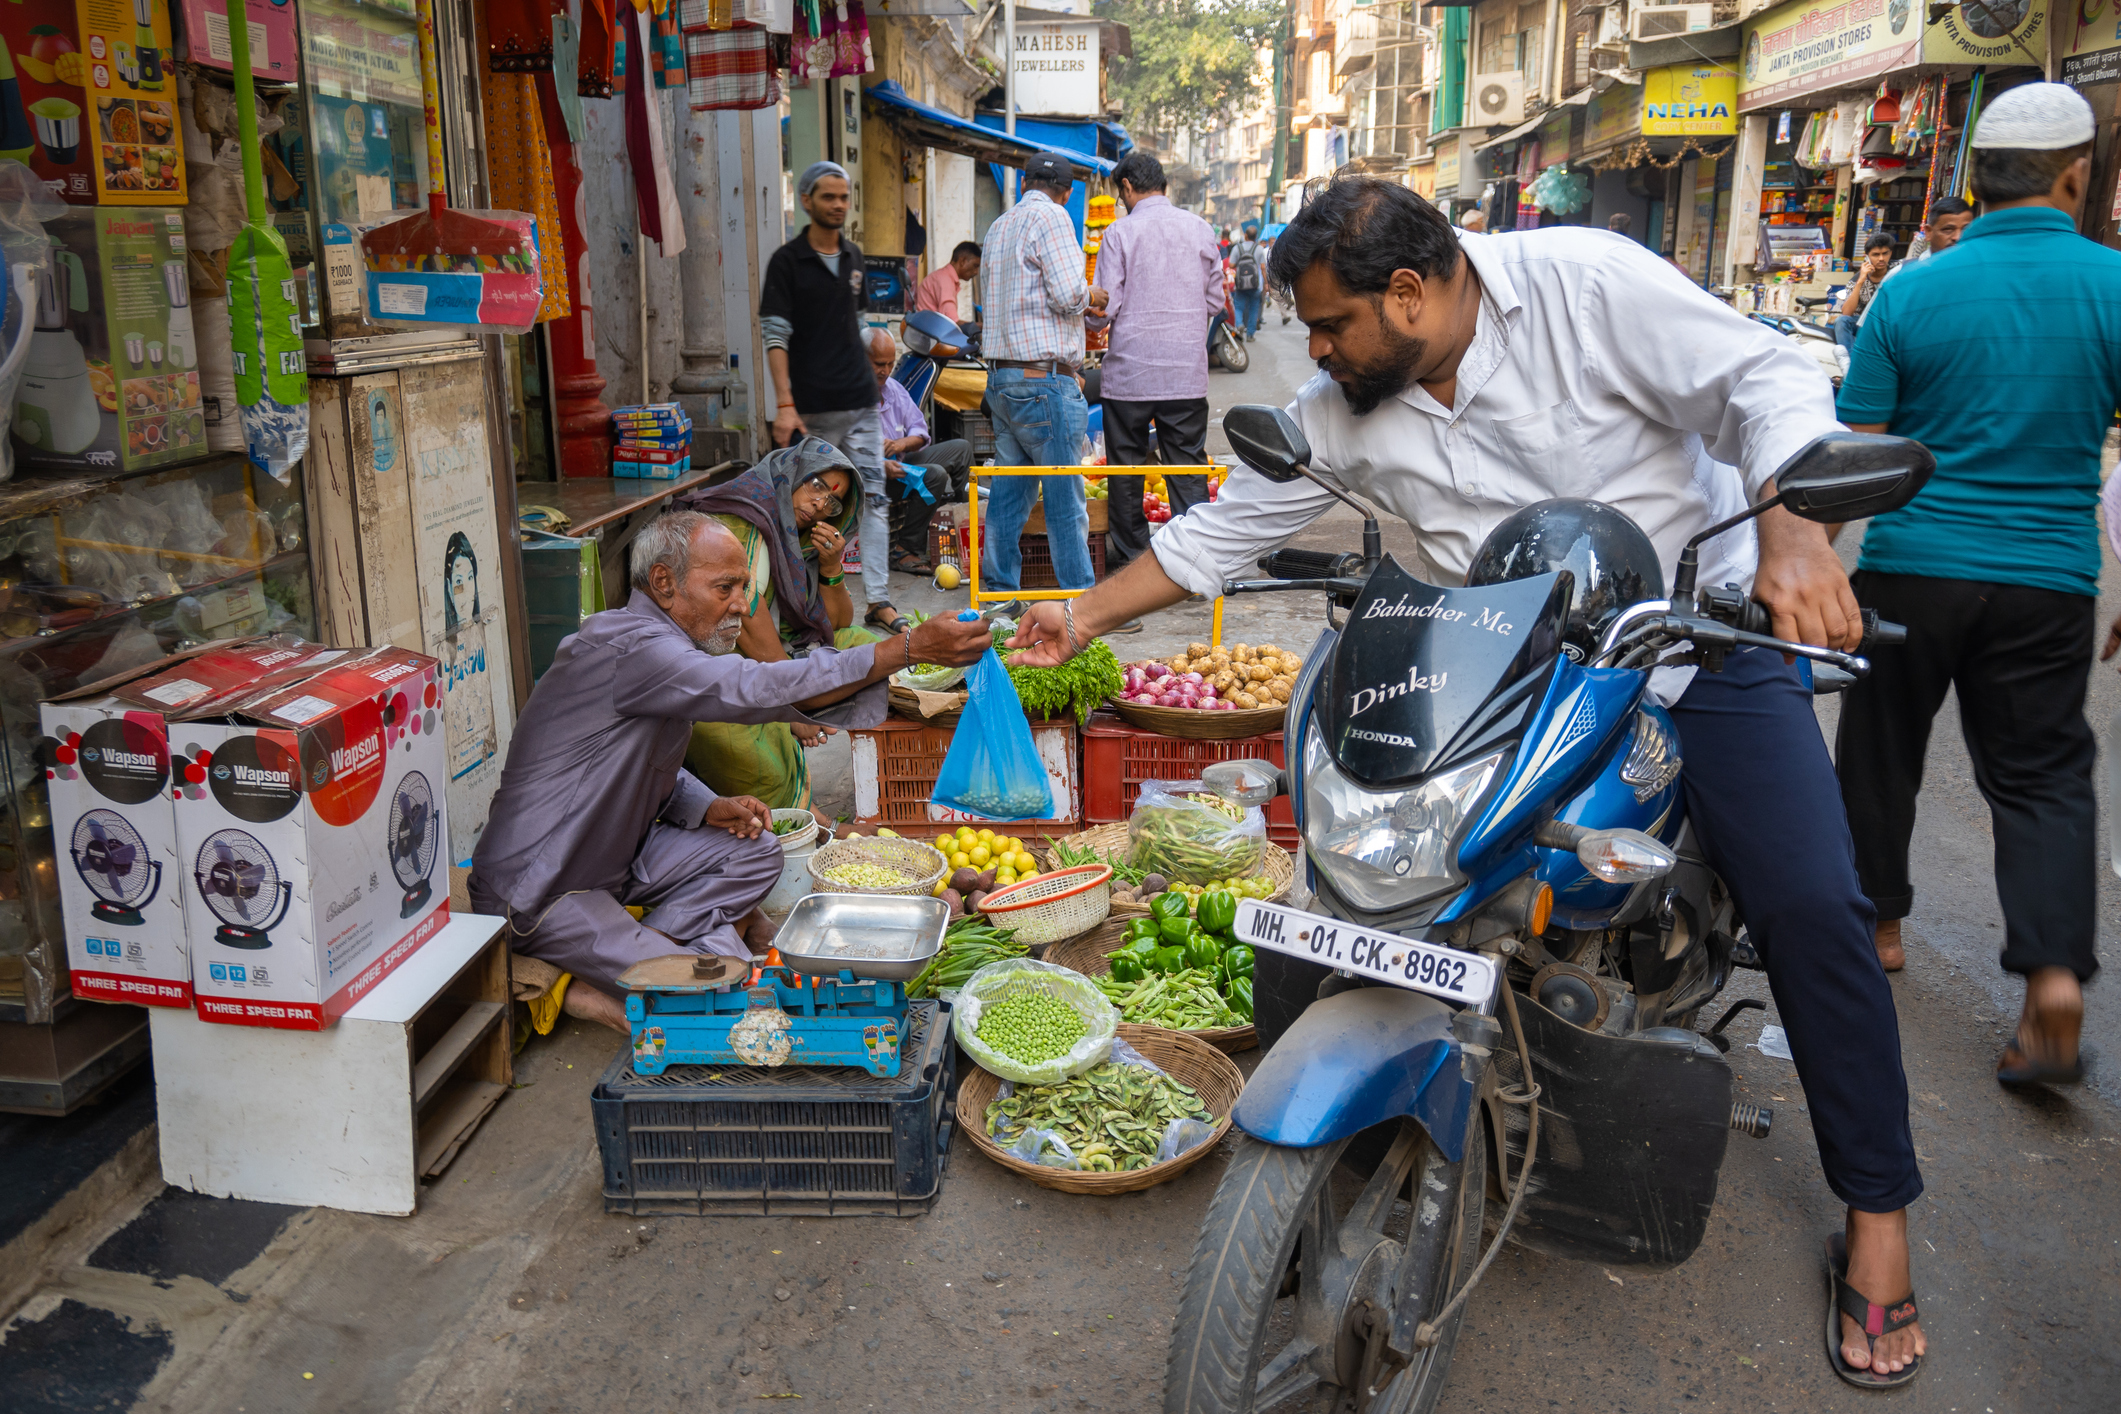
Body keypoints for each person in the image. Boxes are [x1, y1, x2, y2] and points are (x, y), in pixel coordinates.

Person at [1005, 178, 1929, 1387]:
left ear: (1410, 292)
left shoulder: (1586, 287)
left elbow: (1760, 380)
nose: (1315, 352)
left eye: (1330, 326)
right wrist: (1076, 617)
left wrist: (1797, 535)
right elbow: (1217, 536)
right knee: (1368, 870)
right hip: (1490, 666)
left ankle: (1878, 1219)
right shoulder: (1349, 402)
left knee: (1814, 904)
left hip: (1689, 642)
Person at [1835, 83, 2116, 1094]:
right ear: (2076, 175)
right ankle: (2050, 975)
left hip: (1913, 564)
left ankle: (1878, 925)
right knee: (2042, 775)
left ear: (1974, 178)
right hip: (2048, 581)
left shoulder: (1912, 291)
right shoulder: (2114, 286)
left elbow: (1855, 448)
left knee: (1878, 751)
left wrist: (1816, 566)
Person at [467, 510, 988, 1032]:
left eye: (744, 585)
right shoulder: (630, 647)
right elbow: (754, 686)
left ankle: (648, 955)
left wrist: (705, 804)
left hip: (614, 864)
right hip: (544, 888)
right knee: (709, 995)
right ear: (665, 583)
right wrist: (904, 649)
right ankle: (594, 983)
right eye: (725, 587)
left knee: (757, 849)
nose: (742, 604)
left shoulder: (660, 649)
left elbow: (637, 759)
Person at [675, 439, 879, 815]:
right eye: (816, 485)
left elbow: (837, 624)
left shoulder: (797, 535)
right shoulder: (744, 520)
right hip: (714, 660)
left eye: (833, 502)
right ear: (791, 474)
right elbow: (748, 623)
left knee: (863, 645)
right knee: (758, 754)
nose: (821, 504)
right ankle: (804, 818)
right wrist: (791, 709)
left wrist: (832, 566)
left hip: (770, 653)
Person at [759, 160, 906, 636]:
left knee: (876, 502)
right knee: (809, 507)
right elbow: (775, 337)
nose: (838, 205)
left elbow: (857, 326)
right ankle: (804, 603)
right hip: (813, 412)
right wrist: (785, 405)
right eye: (828, 197)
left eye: (844, 197)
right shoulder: (787, 262)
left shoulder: (854, 258)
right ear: (807, 201)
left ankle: (879, 600)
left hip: (860, 405)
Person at [1088, 148, 1223, 613]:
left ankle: (1131, 564)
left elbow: (1106, 307)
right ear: (1161, 183)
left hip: (1130, 374)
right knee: (1186, 468)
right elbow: (1215, 301)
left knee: (1126, 470)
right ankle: (1195, 568)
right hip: (1186, 375)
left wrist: (1088, 322)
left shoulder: (1120, 233)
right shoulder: (1201, 229)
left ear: (1126, 188)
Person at [978, 151, 1105, 603]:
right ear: (1068, 193)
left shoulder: (999, 226)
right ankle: (1082, 603)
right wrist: (1093, 294)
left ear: (1023, 182)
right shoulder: (1053, 218)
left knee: (1009, 496)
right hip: (1044, 383)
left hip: (1003, 381)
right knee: (1064, 499)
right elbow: (1071, 293)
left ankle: (1001, 599)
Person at [866, 327, 970, 573]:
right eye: (879, 364)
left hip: (899, 461)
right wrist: (879, 464)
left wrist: (900, 443)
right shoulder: (849, 397)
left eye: (891, 364)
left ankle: (956, 521)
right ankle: (905, 550)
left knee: (962, 449)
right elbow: (840, 453)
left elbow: (919, 430)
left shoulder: (893, 389)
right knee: (934, 475)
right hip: (870, 476)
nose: (886, 371)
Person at [1832, 233, 1895, 350]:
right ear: (1867, 257)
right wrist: (1860, 281)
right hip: (1866, 324)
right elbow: (1846, 313)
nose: (1881, 258)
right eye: (1876, 255)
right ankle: (1849, 363)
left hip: (1892, 323)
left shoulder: (1898, 271)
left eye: (1885, 253)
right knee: (1841, 321)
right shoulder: (1856, 279)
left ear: (1890, 253)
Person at [914, 241, 981, 324]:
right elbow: (952, 322)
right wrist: (982, 327)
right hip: (931, 332)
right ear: (962, 261)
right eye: (975, 266)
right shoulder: (946, 281)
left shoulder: (942, 276)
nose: (976, 272)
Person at [1896, 197, 1973, 267]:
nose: (1957, 237)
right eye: (1948, 230)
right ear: (1929, 232)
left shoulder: (1980, 272)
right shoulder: (1905, 274)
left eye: (1966, 229)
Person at [1230, 220, 1266, 339]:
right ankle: (1250, 334)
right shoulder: (1259, 249)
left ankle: (1240, 324)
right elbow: (1263, 267)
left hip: (1240, 284)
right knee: (1254, 308)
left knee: (1239, 306)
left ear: (1245, 235)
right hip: (1255, 284)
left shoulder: (1237, 248)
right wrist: (1266, 284)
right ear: (1256, 237)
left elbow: (1231, 265)